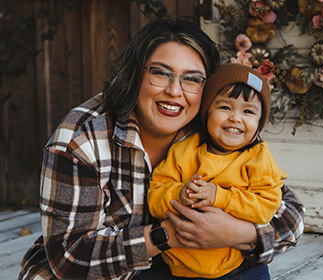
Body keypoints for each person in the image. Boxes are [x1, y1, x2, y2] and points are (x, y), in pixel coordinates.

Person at [19, 18, 305, 280]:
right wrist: (171, 234)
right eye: (161, 73)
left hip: (173, 266)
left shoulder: (210, 127)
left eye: (191, 78)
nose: (175, 91)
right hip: (104, 274)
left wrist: (239, 233)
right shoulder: (81, 140)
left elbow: (289, 213)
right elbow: (68, 259)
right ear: (135, 74)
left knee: (250, 266)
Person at [148, 63, 287, 279]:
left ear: (259, 123)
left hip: (239, 268)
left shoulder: (258, 158)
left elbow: (266, 206)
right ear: (206, 112)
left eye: (248, 111)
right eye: (225, 107)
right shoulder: (184, 150)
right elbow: (155, 195)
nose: (235, 118)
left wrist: (219, 197)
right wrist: (178, 194)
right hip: (178, 269)